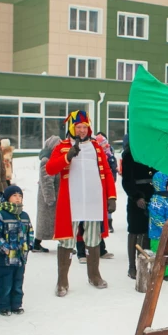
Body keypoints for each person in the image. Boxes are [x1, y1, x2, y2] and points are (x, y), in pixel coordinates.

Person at [45, 110, 117, 297]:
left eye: (85, 127)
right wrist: (67, 157)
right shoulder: (62, 146)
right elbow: (50, 169)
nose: (83, 130)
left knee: (94, 239)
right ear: (72, 127)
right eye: (79, 127)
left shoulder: (96, 147)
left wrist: (111, 197)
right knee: (67, 241)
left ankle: (94, 275)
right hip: (72, 202)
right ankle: (62, 280)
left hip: (93, 200)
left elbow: (108, 172)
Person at [0, 185, 33, 316]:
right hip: (6, 257)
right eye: (15, 196)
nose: (18, 199)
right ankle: (2, 305)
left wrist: (29, 245)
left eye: (20, 196)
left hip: (20, 257)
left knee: (18, 282)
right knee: (5, 282)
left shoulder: (24, 215)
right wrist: (4, 248)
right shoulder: (0, 215)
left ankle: (16, 304)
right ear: (7, 198)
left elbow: (30, 232)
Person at [121, 135, 156, 280]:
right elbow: (126, 180)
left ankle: (145, 263)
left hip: (153, 194)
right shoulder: (129, 154)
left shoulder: (154, 152)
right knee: (135, 230)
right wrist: (136, 196)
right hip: (137, 196)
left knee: (149, 232)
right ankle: (132, 266)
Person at [148, 172, 168, 282]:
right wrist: (166, 228)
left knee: (167, 253)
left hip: (166, 233)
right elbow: (157, 219)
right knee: (158, 253)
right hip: (157, 234)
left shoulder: (167, 198)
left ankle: (166, 272)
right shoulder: (156, 201)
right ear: (161, 185)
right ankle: (157, 272)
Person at [34, 135, 60, 253]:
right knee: (46, 221)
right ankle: (36, 244)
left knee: (54, 221)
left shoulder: (54, 158)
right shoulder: (47, 160)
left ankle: (64, 242)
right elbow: (46, 180)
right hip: (49, 196)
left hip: (55, 195)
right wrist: (50, 198)